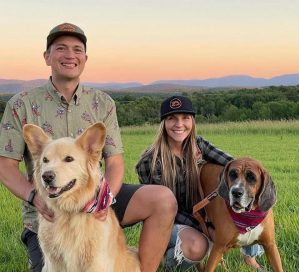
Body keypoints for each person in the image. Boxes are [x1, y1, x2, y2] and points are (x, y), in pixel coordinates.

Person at [0, 23, 177, 272]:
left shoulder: (102, 103)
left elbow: (114, 162)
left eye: (77, 49)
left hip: (96, 197)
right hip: (50, 209)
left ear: (85, 58)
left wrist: (106, 200)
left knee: (163, 199)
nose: (69, 55)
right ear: (47, 57)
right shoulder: (22, 104)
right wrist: (34, 197)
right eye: (60, 48)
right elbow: (5, 166)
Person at [136, 95, 264, 271]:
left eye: (185, 118)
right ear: (163, 123)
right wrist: (205, 227)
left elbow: (233, 164)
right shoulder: (149, 162)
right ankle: (166, 261)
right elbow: (162, 209)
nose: (179, 124)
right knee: (198, 246)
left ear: (192, 121)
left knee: (245, 201)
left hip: (198, 214)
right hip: (167, 220)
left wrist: (254, 183)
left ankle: (250, 255)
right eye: (171, 118)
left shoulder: (199, 145)